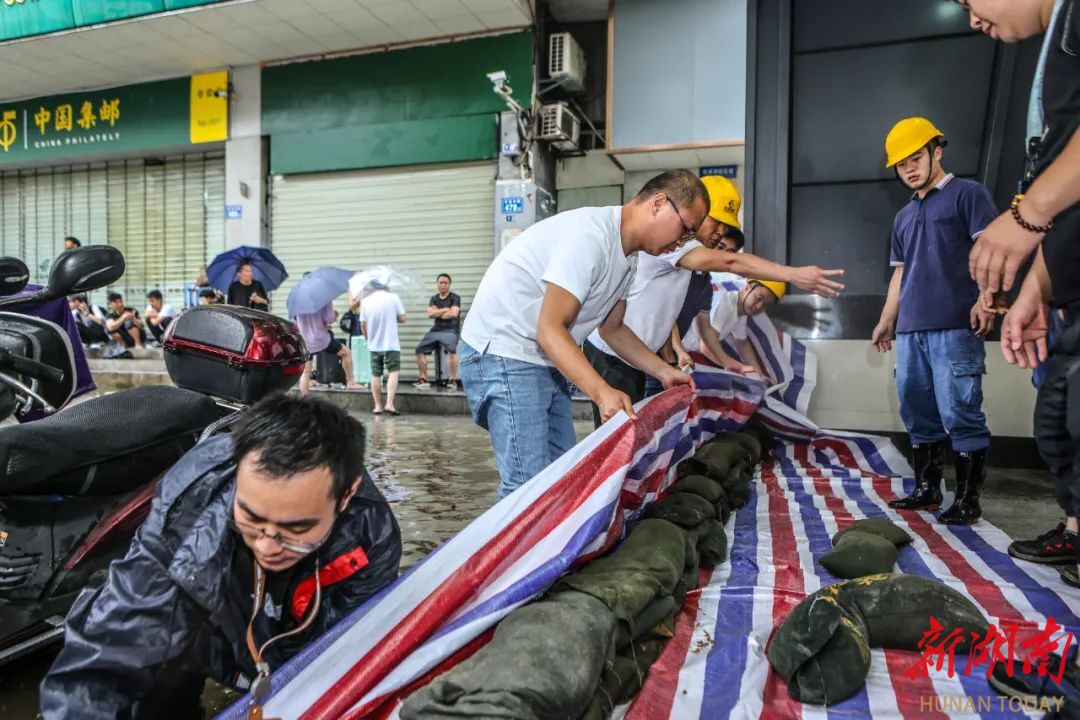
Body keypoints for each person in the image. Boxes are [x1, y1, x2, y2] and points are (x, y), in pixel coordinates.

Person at [39, 394, 402, 720]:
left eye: (295, 529)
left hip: (286, 636)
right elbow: (112, 647)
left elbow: (350, 654)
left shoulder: (370, 532)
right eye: (252, 518)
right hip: (206, 628)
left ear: (346, 494)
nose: (267, 546)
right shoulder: (187, 511)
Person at [948, 0, 1080, 709]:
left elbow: (1048, 203)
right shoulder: (1056, 36)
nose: (970, 17)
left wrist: (1029, 215)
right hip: (1068, 292)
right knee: (1067, 426)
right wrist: (1040, 286)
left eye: (971, 0)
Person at [459, 170, 706, 498]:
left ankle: (549, 546)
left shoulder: (629, 258)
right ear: (659, 203)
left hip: (543, 358)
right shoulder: (591, 236)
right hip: (505, 350)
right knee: (527, 489)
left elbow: (613, 329)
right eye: (686, 229)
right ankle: (515, 549)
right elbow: (549, 330)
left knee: (562, 479)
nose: (683, 242)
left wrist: (663, 371)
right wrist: (602, 392)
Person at [583, 175, 844, 422]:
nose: (720, 232)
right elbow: (731, 262)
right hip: (613, 353)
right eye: (715, 221)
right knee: (619, 441)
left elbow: (671, 314)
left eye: (726, 226)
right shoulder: (672, 244)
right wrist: (794, 274)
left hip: (638, 356)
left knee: (638, 437)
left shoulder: (696, 270)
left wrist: (684, 355)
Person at [870, 117, 999, 525]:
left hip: (956, 326)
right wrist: (887, 318)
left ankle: (966, 500)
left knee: (960, 409)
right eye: (901, 164)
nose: (909, 168)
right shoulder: (902, 217)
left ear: (936, 151)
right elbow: (900, 273)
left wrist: (987, 299)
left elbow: (991, 251)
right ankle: (927, 489)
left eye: (916, 158)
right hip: (910, 330)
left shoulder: (968, 195)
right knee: (916, 408)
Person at [698, 279, 786, 381]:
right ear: (747, 287)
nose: (759, 306)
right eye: (759, 298)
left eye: (765, 304)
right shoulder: (725, 302)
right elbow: (705, 347)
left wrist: (759, 375)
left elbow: (742, 343)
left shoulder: (741, 310)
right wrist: (740, 369)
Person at [359, 282, 406, 415]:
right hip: (391, 344)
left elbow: (363, 324)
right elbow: (403, 318)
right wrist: (393, 317)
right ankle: (389, 404)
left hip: (374, 344)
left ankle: (378, 406)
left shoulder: (365, 301)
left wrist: (368, 338)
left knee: (375, 374)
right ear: (387, 286)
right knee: (393, 372)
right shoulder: (394, 298)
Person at [295, 302, 362, 395]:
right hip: (321, 339)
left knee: (306, 371)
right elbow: (329, 318)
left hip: (305, 339)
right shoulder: (324, 299)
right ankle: (351, 382)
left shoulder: (299, 301)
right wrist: (335, 314)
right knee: (346, 353)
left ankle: (303, 399)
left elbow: (296, 320)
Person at [414, 273, 462, 390]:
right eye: (441, 283)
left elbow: (454, 313)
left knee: (451, 351)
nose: (443, 285)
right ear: (437, 284)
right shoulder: (434, 298)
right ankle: (423, 379)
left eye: (446, 283)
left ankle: (452, 380)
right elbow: (430, 314)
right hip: (436, 330)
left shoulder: (455, 298)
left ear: (449, 285)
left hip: (451, 330)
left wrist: (438, 312)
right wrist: (446, 309)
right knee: (419, 350)